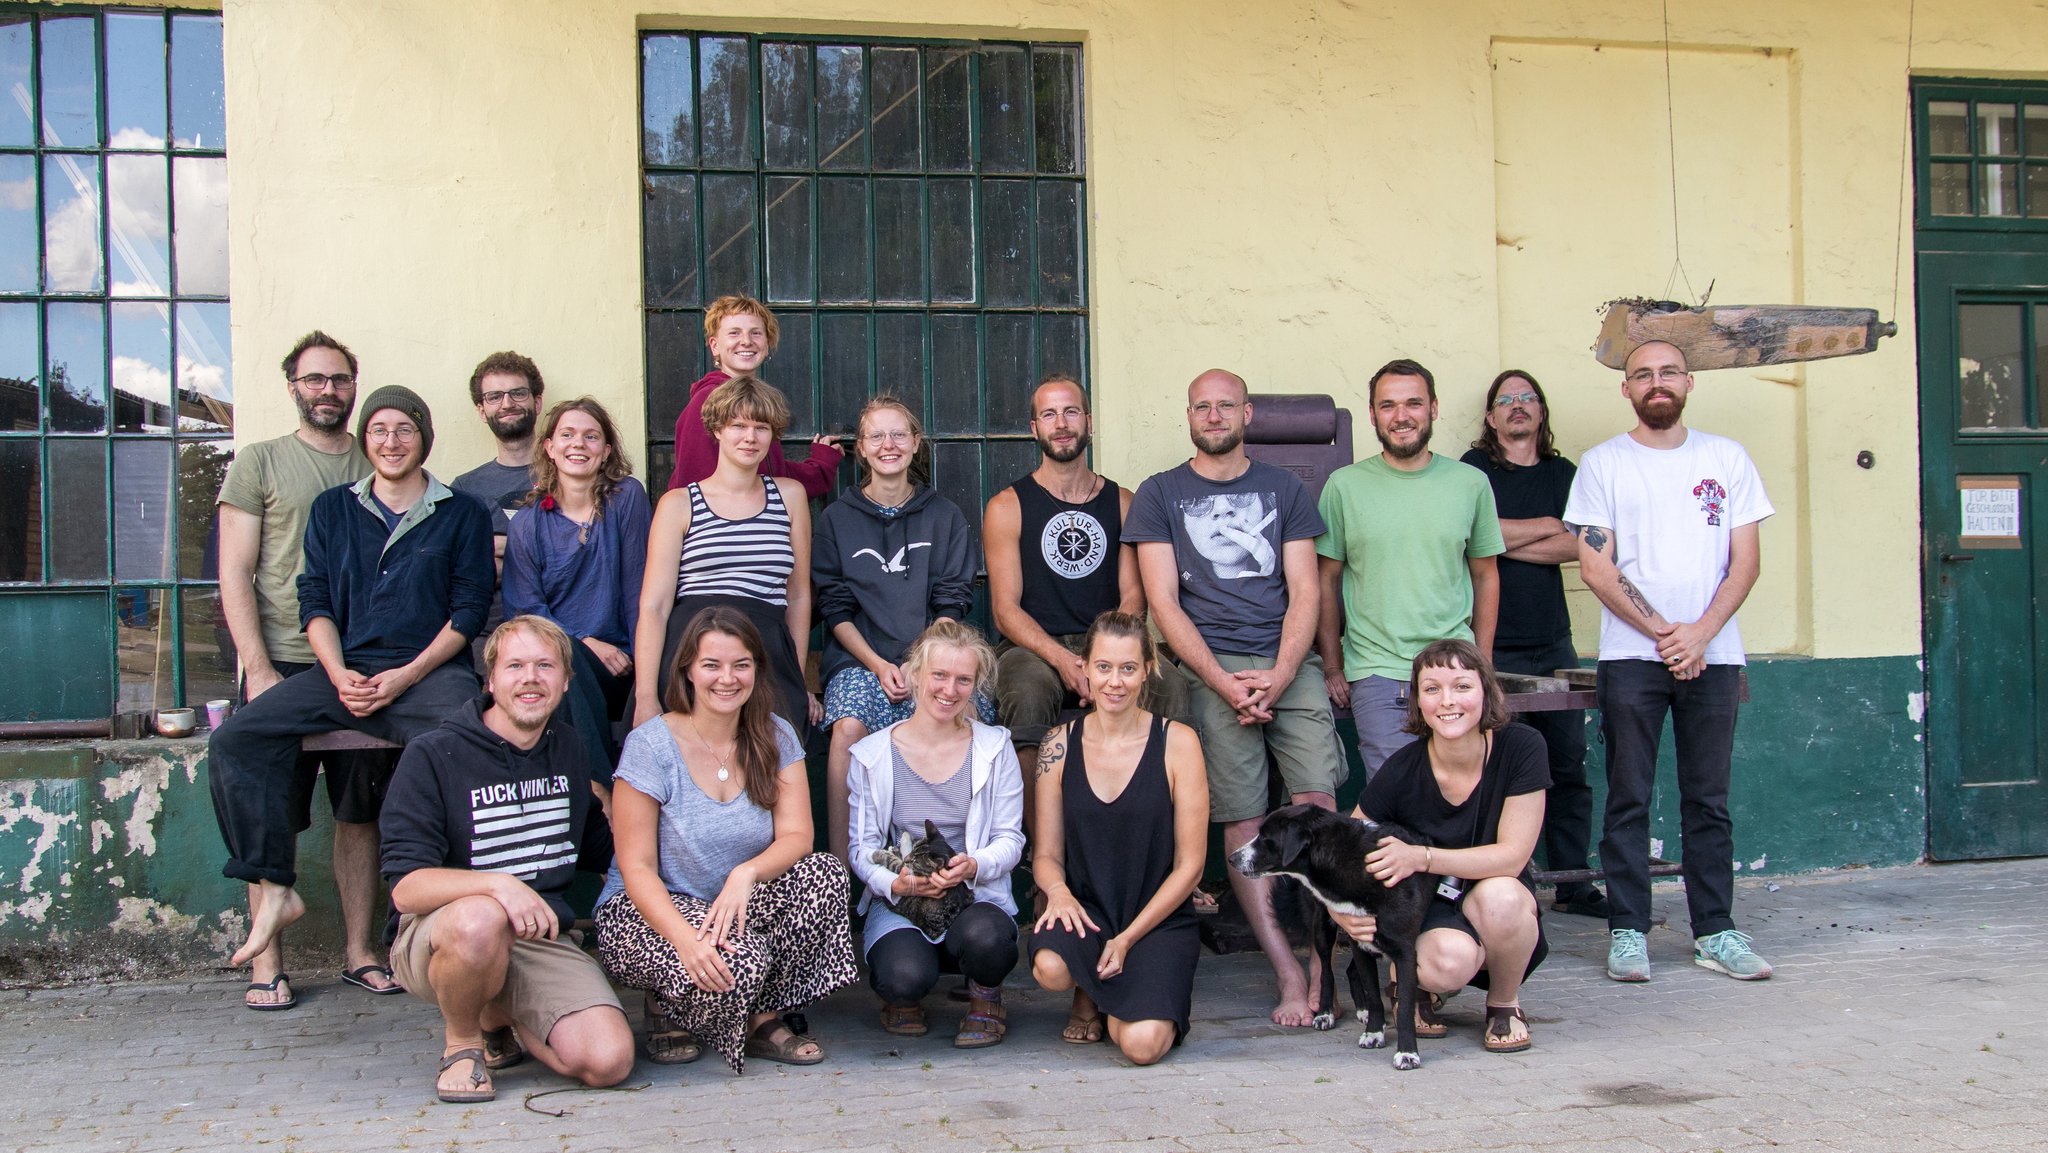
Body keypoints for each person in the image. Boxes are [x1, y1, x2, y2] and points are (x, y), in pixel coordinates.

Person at [209, 385, 494, 975]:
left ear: (424, 437)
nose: (391, 441)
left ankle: (454, 908)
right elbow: (312, 598)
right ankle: (275, 884)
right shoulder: (333, 509)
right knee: (238, 738)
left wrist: (407, 675)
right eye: (380, 430)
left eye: (405, 429)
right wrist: (338, 673)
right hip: (346, 670)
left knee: (473, 743)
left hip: (429, 672)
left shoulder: (460, 511)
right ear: (366, 439)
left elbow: (468, 611)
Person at [1125, 368, 1344, 1028]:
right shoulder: (1161, 494)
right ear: (1188, 415)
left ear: (1247, 413)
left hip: (1286, 662)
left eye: (1226, 405)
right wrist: (1225, 682)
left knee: (1320, 810)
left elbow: (1305, 591)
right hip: (1206, 670)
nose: (1214, 415)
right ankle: (1284, 966)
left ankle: (1324, 961)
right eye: (1202, 406)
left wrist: (1278, 677)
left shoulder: (1285, 489)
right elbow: (1163, 602)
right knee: (1243, 821)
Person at [1565, 340, 1774, 983]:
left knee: (1708, 800)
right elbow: (1596, 565)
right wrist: (1666, 635)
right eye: (1642, 374)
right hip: (1633, 657)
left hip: (1715, 655)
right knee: (1628, 796)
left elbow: (1746, 561)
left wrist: (1702, 634)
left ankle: (1716, 930)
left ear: (1689, 383)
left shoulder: (1726, 458)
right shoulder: (1604, 464)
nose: (1657, 382)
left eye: (1668, 372)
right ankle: (1628, 931)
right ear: (1626, 389)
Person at [378, 616, 634, 1103]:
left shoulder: (568, 748)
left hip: (536, 938)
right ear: (491, 680)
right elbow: (406, 888)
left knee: (609, 1062)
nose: (531, 678)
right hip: (440, 937)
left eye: (545, 665)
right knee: (481, 918)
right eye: (515, 665)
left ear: (566, 680)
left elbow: (601, 848)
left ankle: (500, 1010)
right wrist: (499, 885)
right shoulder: (433, 754)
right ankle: (464, 1044)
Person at [214, 330, 398, 1007]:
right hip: (283, 662)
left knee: (359, 811)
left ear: (355, 384)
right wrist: (257, 665)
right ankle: (268, 961)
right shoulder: (259, 461)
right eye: (315, 379)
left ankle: (359, 951)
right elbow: (234, 571)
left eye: (340, 379)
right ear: (293, 385)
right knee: (272, 807)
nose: (328, 390)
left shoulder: (380, 454)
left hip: (362, 667)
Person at [595, 606, 856, 1073]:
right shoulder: (651, 745)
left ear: (757, 668)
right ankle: (665, 1002)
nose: (727, 679)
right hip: (649, 909)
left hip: (731, 905)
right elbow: (636, 867)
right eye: (711, 665)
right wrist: (684, 940)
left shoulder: (774, 735)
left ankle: (762, 1019)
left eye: (741, 665)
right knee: (742, 963)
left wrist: (747, 873)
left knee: (825, 875)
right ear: (688, 671)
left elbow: (797, 835)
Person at [982, 374, 1185, 834]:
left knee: (1170, 686)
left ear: (1088, 422)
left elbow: (1135, 597)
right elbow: (1005, 610)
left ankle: (1168, 851)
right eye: (1049, 414)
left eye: (1071, 412)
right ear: (1034, 428)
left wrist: (1102, 661)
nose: (1061, 423)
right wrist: (1063, 659)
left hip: (1111, 643)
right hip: (1035, 647)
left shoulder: (1125, 502)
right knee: (1028, 691)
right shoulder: (1007, 506)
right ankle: (1040, 859)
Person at [1328, 639, 1549, 1054]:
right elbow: (1342, 846)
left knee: (1503, 897)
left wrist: (1421, 857)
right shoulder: (1402, 768)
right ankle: (1411, 987)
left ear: (1486, 690)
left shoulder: (1522, 747)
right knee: (1448, 963)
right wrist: (1338, 909)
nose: (1447, 701)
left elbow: (1513, 855)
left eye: (1462, 686)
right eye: (1431, 689)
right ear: (1418, 702)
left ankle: (1504, 1004)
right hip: (1425, 907)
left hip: (1492, 893)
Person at [1030, 611, 1207, 1065]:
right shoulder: (1057, 744)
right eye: (1104, 667)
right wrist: (1058, 894)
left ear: (1148, 670)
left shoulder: (1178, 743)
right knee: (1050, 968)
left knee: (1142, 1046)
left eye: (1128, 668)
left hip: (1156, 918)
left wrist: (1128, 938)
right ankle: (1092, 992)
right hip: (1088, 911)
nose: (1115, 682)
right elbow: (1046, 853)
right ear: (1084, 666)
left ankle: (1104, 1001)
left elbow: (1191, 866)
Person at [813, 395, 983, 863]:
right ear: (861, 450)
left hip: (933, 660)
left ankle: (965, 860)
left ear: (915, 443)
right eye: (876, 436)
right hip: (861, 660)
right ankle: (843, 869)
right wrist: (880, 664)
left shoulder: (944, 515)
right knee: (848, 726)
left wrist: (918, 664)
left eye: (898, 434)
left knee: (971, 717)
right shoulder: (836, 519)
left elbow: (952, 601)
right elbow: (836, 608)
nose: (888, 444)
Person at [1461, 370, 1605, 918]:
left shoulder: (1564, 473)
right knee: (1500, 770)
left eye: (1528, 399)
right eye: (1506, 400)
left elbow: (1579, 545)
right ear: (1491, 417)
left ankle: (1574, 886)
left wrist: (1498, 539)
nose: (1518, 407)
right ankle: (1509, 881)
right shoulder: (1472, 472)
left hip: (1554, 644)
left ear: (1541, 412)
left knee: (1568, 765)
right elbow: (1471, 537)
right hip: (1492, 644)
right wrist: (1545, 525)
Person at [1316, 357, 1503, 780]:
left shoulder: (1469, 483)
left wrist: (1483, 661)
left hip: (1456, 668)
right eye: (1388, 405)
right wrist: (1332, 664)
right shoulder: (1344, 486)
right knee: (1395, 794)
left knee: (1463, 791)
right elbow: (1324, 579)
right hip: (1377, 673)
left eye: (1413, 403)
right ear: (1372, 415)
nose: (1401, 417)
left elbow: (1486, 575)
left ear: (1434, 408)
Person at [847, 620, 1025, 1048]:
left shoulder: (995, 747)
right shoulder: (872, 755)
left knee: (989, 942)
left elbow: (1010, 838)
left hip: (972, 896)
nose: (949, 690)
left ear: (975, 685)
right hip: (905, 899)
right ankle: (905, 994)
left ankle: (985, 998)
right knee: (902, 977)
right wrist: (898, 882)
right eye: (939, 676)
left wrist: (974, 864)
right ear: (914, 675)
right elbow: (863, 848)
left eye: (963, 679)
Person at [634, 375, 817, 737]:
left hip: (767, 652)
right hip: (691, 648)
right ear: (717, 429)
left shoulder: (791, 496)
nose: (750, 437)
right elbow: (654, 606)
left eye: (761, 427)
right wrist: (644, 695)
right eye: (738, 425)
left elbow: (796, 595)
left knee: (770, 765)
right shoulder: (678, 504)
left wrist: (794, 674)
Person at [502, 397, 651, 796]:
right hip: (562, 664)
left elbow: (640, 589)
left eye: (590, 436)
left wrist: (646, 672)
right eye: (567, 435)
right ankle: (601, 795)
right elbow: (527, 612)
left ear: (605, 452)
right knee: (560, 659)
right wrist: (585, 644)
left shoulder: (626, 499)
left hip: (627, 662)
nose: (578, 444)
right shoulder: (529, 523)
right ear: (550, 448)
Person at [665, 295, 842, 497]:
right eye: (734, 333)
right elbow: (692, 483)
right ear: (714, 346)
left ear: (767, 344)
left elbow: (771, 475)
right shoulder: (706, 399)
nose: (746, 341)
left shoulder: (758, 399)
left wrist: (820, 466)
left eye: (756, 333)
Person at [452, 352, 545, 662]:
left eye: (518, 393)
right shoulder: (464, 489)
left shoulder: (569, 474)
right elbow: (459, 571)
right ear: (481, 410)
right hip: (484, 634)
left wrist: (507, 547)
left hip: (556, 626)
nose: (507, 403)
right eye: (495, 396)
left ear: (537, 401)